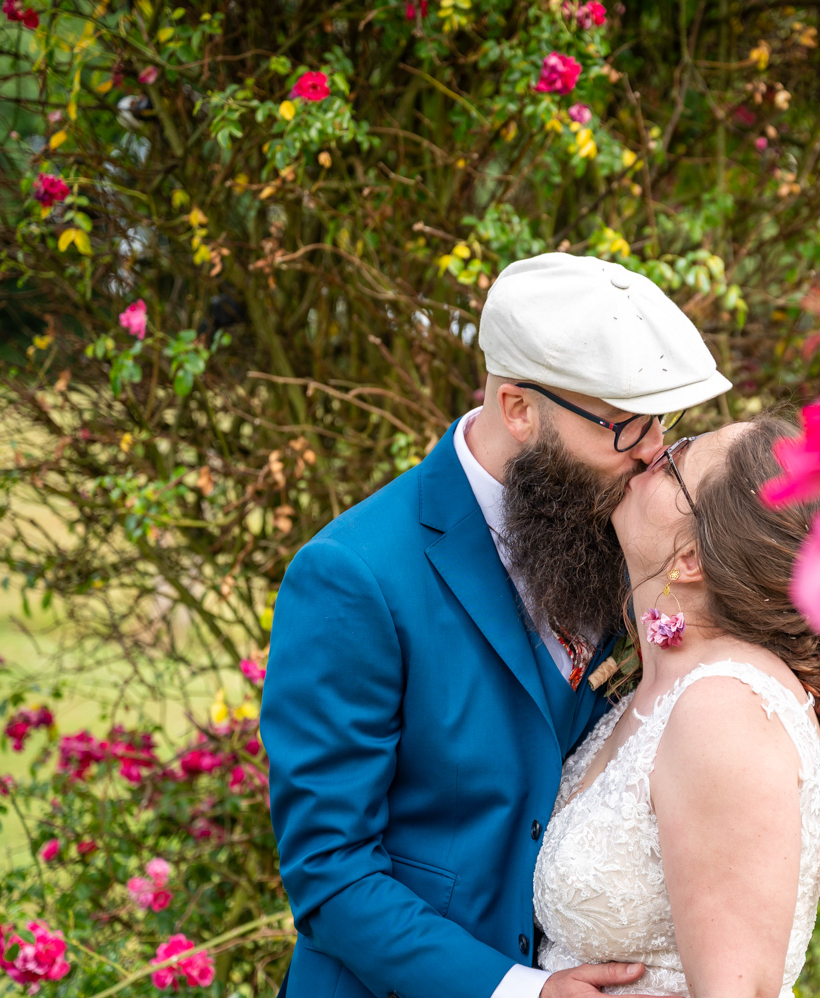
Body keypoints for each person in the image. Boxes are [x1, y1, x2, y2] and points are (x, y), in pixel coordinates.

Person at [261, 252, 732, 998]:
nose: (651, 452)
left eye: (660, 423)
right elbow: (330, 873)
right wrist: (519, 990)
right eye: (623, 426)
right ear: (518, 409)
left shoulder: (615, 534)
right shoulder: (353, 576)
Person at [532, 416, 820, 997]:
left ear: (690, 557)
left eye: (676, 461)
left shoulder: (724, 710)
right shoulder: (656, 690)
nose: (653, 450)